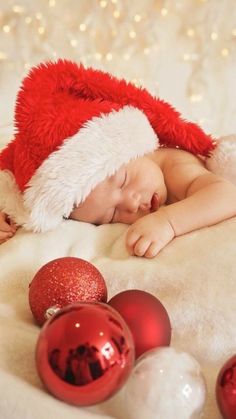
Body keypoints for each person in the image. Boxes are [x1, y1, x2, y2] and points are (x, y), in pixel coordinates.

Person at [0, 59, 236, 257]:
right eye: (112, 214)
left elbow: (226, 195)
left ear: (132, 149)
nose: (131, 204)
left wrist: (169, 222)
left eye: (124, 180)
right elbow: (17, 183)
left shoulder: (174, 165)